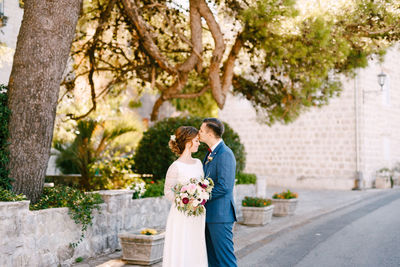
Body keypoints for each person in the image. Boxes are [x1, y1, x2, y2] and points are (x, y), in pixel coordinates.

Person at [162, 126, 208, 267]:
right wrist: (184, 201)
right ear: (188, 143)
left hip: (197, 214)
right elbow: (168, 192)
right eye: (196, 140)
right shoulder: (175, 166)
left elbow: (202, 186)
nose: (198, 143)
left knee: (195, 246)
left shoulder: (199, 163)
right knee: (182, 245)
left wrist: (200, 196)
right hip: (181, 214)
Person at [199, 118, 238, 267]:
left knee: (225, 260)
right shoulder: (211, 153)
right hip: (209, 215)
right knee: (212, 260)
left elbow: (224, 186)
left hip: (221, 216)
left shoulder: (225, 154)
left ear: (210, 134)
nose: (199, 133)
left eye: (201, 131)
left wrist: (199, 197)